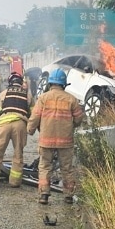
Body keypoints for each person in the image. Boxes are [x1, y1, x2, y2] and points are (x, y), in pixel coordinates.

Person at [27, 68, 84, 206]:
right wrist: (70, 126)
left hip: (46, 140)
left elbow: (35, 117)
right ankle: (69, 196)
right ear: (64, 84)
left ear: (50, 83)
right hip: (66, 141)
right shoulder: (72, 99)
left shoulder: (43, 98)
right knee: (67, 168)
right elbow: (78, 119)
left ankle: (44, 195)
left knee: (45, 167)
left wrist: (30, 129)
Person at [0, 72, 32, 189]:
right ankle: (15, 182)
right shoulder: (27, 95)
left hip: (4, 124)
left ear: (10, 82)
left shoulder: (4, 93)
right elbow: (32, 113)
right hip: (20, 124)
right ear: (20, 82)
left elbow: (0, 109)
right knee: (18, 153)